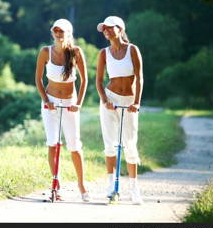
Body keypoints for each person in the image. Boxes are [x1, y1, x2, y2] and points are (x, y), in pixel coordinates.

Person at [35, 18, 89, 202]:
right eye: (56, 31)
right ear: (52, 33)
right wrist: (45, 100)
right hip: (51, 103)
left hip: (70, 103)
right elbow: (38, 80)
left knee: (74, 146)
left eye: (62, 31)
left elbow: (84, 80)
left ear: (69, 33)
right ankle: (55, 184)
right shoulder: (45, 52)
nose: (59, 34)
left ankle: (81, 184)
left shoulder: (76, 52)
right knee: (53, 143)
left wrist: (78, 103)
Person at [95, 15, 144, 204]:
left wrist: (137, 102)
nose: (106, 31)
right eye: (104, 28)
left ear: (120, 29)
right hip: (110, 99)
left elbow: (139, 77)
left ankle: (134, 189)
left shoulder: (132, 50)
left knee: (130, 145)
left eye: (109, 27)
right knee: (110, 144)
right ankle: (111, 186)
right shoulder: (103, 53)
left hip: (129, 101)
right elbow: (99, 81)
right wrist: (105, 100)